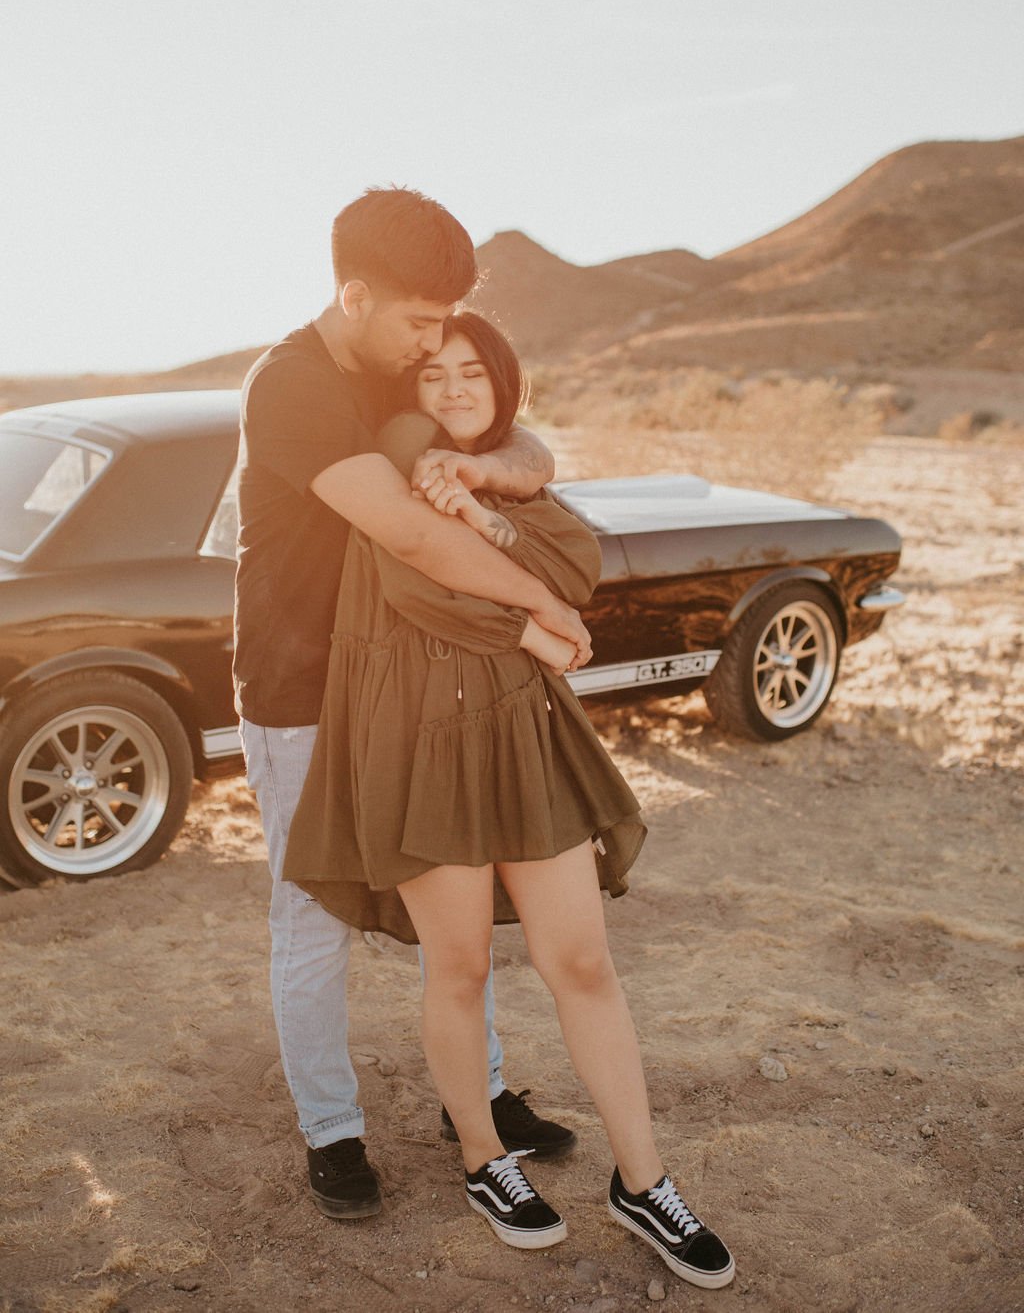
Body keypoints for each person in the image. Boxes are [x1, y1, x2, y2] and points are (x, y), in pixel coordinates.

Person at [284, 312, 736, 1291]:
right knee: (458, 965)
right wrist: (528, 625)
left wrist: (489, 517)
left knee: (582, 959)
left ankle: (644, 1180)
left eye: (472, 373)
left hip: (518, 732)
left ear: (501, 386)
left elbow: (575, 562)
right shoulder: (393, 458)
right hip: (420, 737)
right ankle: (485, 1159)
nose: (452, 389)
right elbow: (412, 580)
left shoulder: (503, 468)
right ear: (411, 389)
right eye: (434, 372)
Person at [234, 187, 593, 1223]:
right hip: (303, 691)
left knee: (458, 901)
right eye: (421, 321)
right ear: (355, 296)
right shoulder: (293, 385)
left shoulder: (403, 368)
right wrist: (540, 603)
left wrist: (484, 464)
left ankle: (478, 1098)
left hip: (415, 677)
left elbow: (526, 444)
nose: (435, 345)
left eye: (446, 325)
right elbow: (410, 531)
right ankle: (331, 1131)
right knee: (315, 915)